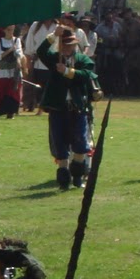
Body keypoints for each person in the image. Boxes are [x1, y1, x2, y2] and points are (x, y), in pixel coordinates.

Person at [33, 23, 99, 191]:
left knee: (80, 144)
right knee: (60, 144)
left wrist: (68, 72)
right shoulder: (54, 58)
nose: (68, 48)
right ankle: (63, 178)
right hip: (58, 108)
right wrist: (54, 35)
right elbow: (41, 52)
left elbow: (86, 75)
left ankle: (77, 177)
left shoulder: (82, 59)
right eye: (65, 44)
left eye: (71, 45)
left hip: (77, 108)